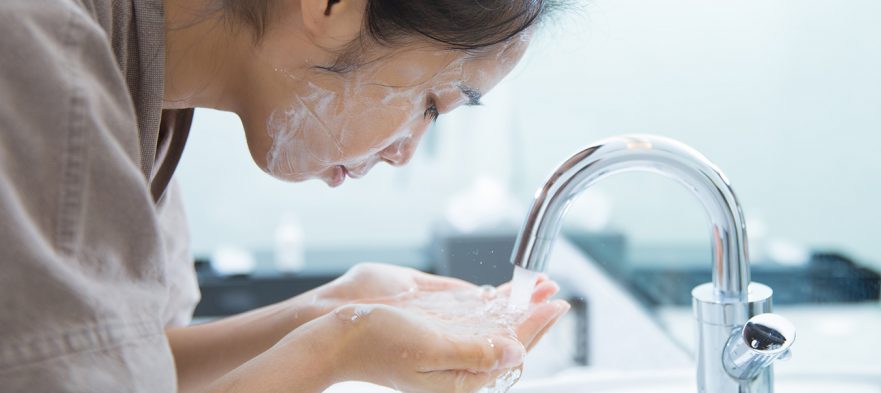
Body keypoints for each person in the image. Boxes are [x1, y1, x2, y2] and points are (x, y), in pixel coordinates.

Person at [0, 0, 570, 392]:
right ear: (330, 5)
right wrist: (338, 347)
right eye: (429, 103)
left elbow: (126, 366)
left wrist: (334, 307)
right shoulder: (40, 54)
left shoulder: (150, 94)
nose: (405, 153)